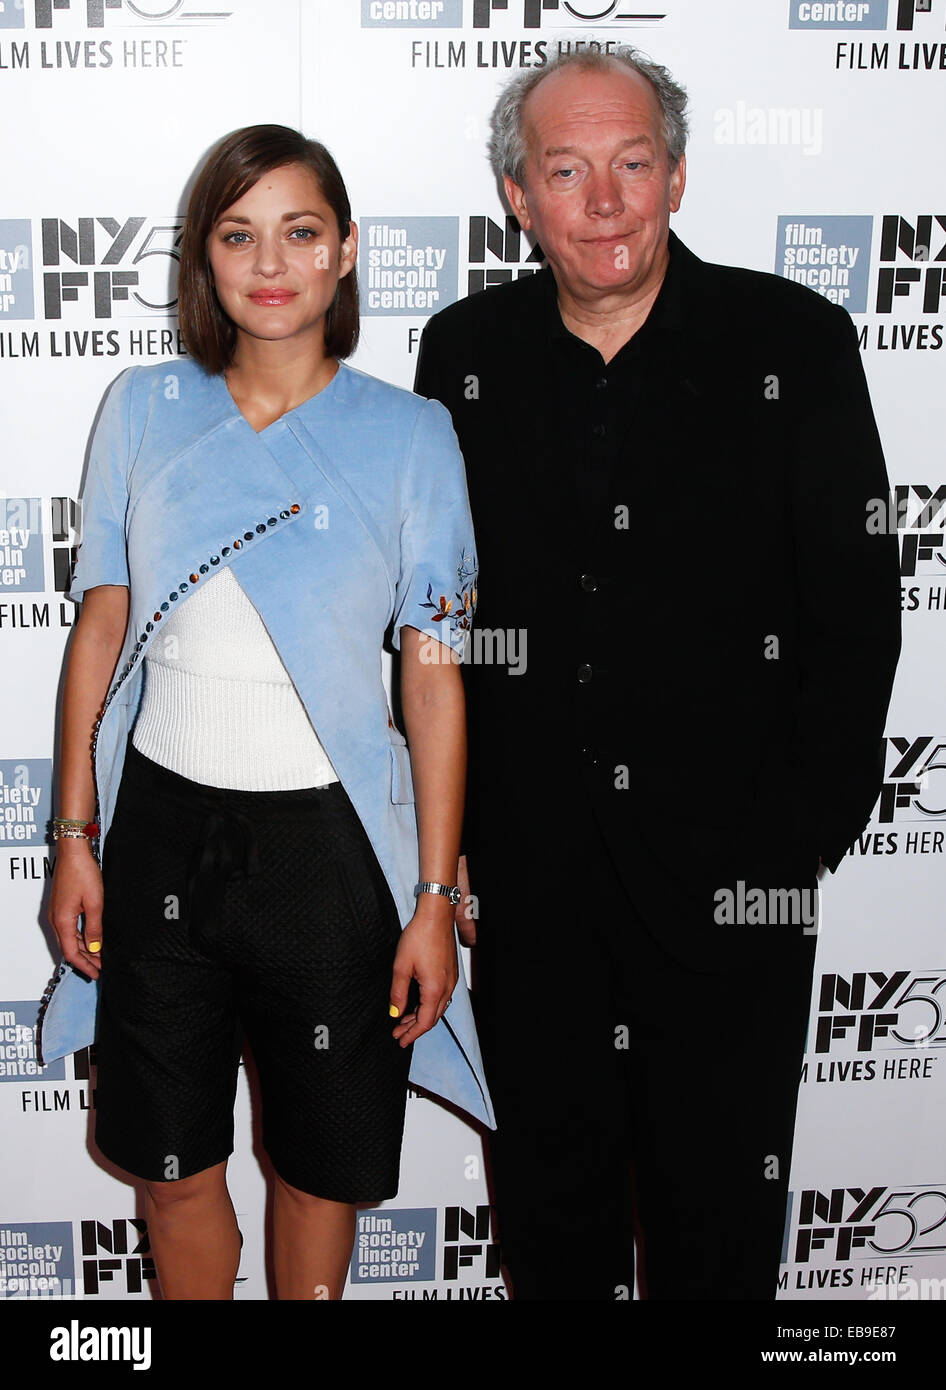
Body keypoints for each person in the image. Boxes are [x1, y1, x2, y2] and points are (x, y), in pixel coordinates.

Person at [414, 48, 901, 1300]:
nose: (605, 200)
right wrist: (453, 846)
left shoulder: (793, 340)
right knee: (553, 1235)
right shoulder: (461, 352)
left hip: (735, 887)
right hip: (531, 894)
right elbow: (440, 624)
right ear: (518, 196)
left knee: (719, 1248)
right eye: (566, 170)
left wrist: (792, 843)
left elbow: (853, 615)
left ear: (676, 175)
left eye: (633, 164)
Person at [40, 124, 493, 1301]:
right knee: (172, 1168)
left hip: (333, 861)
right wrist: (74, 835)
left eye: (299, 231)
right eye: (238, 235)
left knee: (318, 1172)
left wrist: (435, 897)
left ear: (344, 251)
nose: (270, 261)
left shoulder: (412, 437)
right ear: (204, 259)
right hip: (163, 838)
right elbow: (101, 626)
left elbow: (434, 674)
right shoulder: (142, 408)